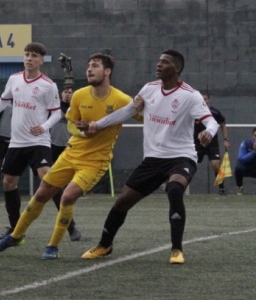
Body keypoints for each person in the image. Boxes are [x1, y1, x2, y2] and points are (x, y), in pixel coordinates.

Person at [81, 49, 218, 265]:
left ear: (176, 68)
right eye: (158, 61)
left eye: (164, 62)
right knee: (123, 201)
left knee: (174, 189)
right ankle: (105, 245)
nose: (158, 65)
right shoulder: (148, 89)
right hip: (153, 160)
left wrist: (208, 132)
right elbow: (127, 111)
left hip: (181, 157)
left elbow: (211, 121)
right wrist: (97, 125)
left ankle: (176, 250)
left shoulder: (190, 95)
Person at [0, 54, 129, 259]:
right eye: (88, 66)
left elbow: (140, 113)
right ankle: (16, 235)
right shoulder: (80, 95)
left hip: (95, 161)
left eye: (95, 66)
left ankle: (52, 247)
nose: (89, 69)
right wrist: (82, 131)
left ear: (107, 71)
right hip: (71, 153)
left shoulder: (122, 99)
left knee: (67, 195)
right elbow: (71, 123)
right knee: (42, 193)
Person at [0, 42, 62, 240]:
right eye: (27, 55)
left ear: (41, 60)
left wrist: (44, 127)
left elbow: (57, 114)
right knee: (8, 182)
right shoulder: (14, 79)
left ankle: (68, 222)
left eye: (33, 56)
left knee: (47, 177)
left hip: (39, 140)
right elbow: (4, 100)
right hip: (17, 142)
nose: (29, 59)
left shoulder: (48, 85)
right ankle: (15, 230)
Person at [48, 83, 81, 241]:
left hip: (71, 149)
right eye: (65, 91)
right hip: (52, 148)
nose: (68, 94)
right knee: (54, 188)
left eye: (70, 92)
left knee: (67, 191)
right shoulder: (53, 108)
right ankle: (71, 226)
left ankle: (70, 225)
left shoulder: (76, 109)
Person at [194, 92, 229, 194]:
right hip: (197, 143)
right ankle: (179, 186)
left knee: (216, 165)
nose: (204, 101)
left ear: (209, 100)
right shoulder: (195, 112)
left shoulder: (214, 112)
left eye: (205, 99)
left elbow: (222, 124)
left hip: (212, 143)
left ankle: (221, 188)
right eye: (202, 99)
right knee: (190, 163)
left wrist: (226, 139)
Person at [234, 128, 256, 194]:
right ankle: (239, 188)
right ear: (252, 136)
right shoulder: (246, 143)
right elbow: (241, 158)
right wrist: (254, 152)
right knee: (238, 168)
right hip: (248, 168)